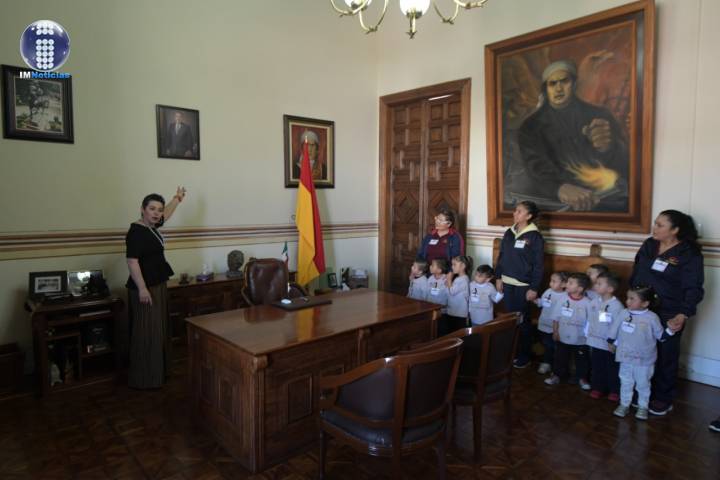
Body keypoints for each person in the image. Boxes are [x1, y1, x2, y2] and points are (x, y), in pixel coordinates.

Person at [516, 60, 629, 212]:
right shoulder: (530, 127)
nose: (559, 88)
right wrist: (559, 187)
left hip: (606, 200)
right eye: (552, 83)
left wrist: (607, 148)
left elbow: (626, 163)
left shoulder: (600, 115)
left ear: (574, 84)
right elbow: (536, 167)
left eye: (564, 81)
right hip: (558, 206)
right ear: (545, 89)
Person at [629, 210, 705, 416]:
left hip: (669, 312)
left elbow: (693, 287)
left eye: (660, 225)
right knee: (642, 351)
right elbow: (636, 272)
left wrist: (683, 314)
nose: (654, 228)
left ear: (675, 230)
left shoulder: (688, 253)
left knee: (665, 355)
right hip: (642, 308)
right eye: (655, 223)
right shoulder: (649, 244)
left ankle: (663, 397)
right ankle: (643, 392)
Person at [125, 186, 186, 389]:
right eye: (152, 209)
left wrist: (176, 199)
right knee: (147, 332)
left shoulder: (151, 226)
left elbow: (166, 215)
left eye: (158, 209)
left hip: (157, 284)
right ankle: (145, 379)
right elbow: (132, 262)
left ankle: (158, 373)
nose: (157, 213)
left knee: (157, 329)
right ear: (142, 209)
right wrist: (142, 289)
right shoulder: (136, 231)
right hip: (145, 289)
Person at [494, 200, 544, 368]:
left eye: (520, 211)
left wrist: (534, 288)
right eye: (515, 211)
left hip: (523, 285)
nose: (515, 213)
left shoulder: (534, 236)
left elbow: (539, 264)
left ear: (529, 216)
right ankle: (511, 353)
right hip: (507, 282)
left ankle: (524, 355)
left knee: (522, 321)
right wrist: (498, 276)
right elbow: (501, 256)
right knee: (510, 320)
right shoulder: (509, 232)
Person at [609, 286, 669, 420]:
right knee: (625, 381)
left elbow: (661, 336)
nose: (627, 301)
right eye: (627, 298)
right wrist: (611, 342)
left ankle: (643, 407)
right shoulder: (624, 313)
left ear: (645, 303)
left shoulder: (652, 318)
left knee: (643, 384)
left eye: (632, 299)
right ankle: (624, 404)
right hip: (625, 356)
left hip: (644, 359)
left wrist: (670, 330)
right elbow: (615, 328)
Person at [545, 273, 591, 389]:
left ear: (580, 288)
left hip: (580, 339)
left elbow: (590, 322)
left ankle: (581, 378)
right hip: (562, 336)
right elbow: (556, 317)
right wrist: (555, 332)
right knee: (560, 357)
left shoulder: (588, 302)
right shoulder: (563, 299)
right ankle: (557, 375)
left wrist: (587, 336)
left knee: (581, 360)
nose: (567, 285)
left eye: (571, 283)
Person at [586, 271, 624, 401]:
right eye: (596, 283)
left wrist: (614, 343)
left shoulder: (617, 306)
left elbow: (618, 327)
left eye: (599, 283)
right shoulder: (594, 302)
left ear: (610, 289)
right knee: (597, 366)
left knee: (612, 368)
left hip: (609, 344)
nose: (595, 285)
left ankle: (614, 390)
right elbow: (590, 319)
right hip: (595, 341)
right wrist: (588, 334)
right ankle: (597, 387)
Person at [535, 271, 568, 375]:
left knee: (554, 347)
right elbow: (542, 303)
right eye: (551, 280)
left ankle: (553, 366)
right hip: (544, 323)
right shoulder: (548, 291)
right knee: (547, 345)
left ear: (563, 284)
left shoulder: (566, 296)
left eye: (554, 281)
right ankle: (547, 363)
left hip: (556, 328)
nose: (550, 283)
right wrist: (534, 300)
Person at [441, 255, 472, 336]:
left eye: (454, 264)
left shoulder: (464, 279)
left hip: (459, 314)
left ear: (463, 266)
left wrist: (449, 280)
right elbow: (448, 292)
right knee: (450, 334)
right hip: (452, 311)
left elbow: (452, 291)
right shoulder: (458, 278)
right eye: (452, 264)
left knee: (458, 336)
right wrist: (447, 283)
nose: (452, 267)